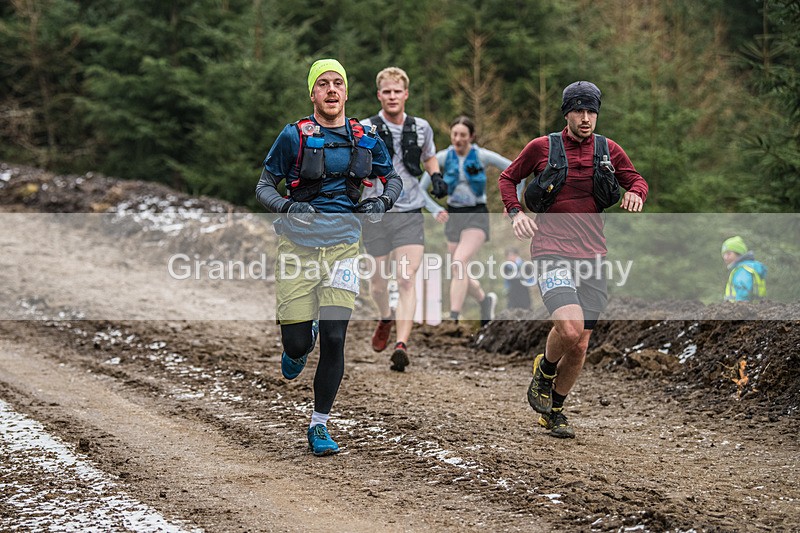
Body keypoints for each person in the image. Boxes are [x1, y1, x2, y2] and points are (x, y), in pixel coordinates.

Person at [255, 59, 402, 456]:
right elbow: (264, 185)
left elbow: (393, 178)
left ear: (347, 92)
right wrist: (288, 207)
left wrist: (383, 202)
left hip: (344, 247)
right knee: (299, 342)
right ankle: (299, 342)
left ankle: (319, 425)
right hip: (299, 248)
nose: (331, 90)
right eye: (323, 84)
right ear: (313, 93)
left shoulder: (365, 136)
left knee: (336, 339)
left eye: (338, 83)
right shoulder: (294, 136)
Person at [498, 81, 648, 438]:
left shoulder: (608, 150)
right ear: (566, 113)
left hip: (593, 256)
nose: (586, 118)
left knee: (580, 345)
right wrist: (516, 212)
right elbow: (508, 178)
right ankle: (545, 371)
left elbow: (636, 180)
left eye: (592, 111)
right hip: (551, 250)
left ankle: (555, 411)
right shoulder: (541, 148)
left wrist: (636, 194)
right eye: (579, 111)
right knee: (569, 327)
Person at [360, 67, 447, 372]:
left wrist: (436, 177)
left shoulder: (421, 127)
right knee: (378, 283)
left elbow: (429, 155)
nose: (392, 96)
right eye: (387, 91)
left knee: (406, 279)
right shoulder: (365, 128)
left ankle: (402, 344)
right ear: (379, 95)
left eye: (397, 91)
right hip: (375, 212)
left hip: (410, 211)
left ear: (406, 94)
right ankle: (385, 316)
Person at [425, 116, 517, 326]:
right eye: (455, 134)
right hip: (453, 214)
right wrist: (434, 208)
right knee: (460, 269)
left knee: (458, 263)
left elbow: (514, 170)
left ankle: (453, 317)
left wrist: (512, 202)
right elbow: (421, 189)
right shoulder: (441, 158)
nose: (458, 139)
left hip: (477, 214)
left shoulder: (482, 156)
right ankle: (485, 302)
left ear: (471, 137)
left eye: (463, 135)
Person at [721, 236, 767, 301]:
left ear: (738, 253)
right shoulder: (750, 267)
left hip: (741, 310)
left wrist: (739, 309)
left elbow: (743, 293)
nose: (725, 257)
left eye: (729, 254)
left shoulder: (742, 270)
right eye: (724, 254)